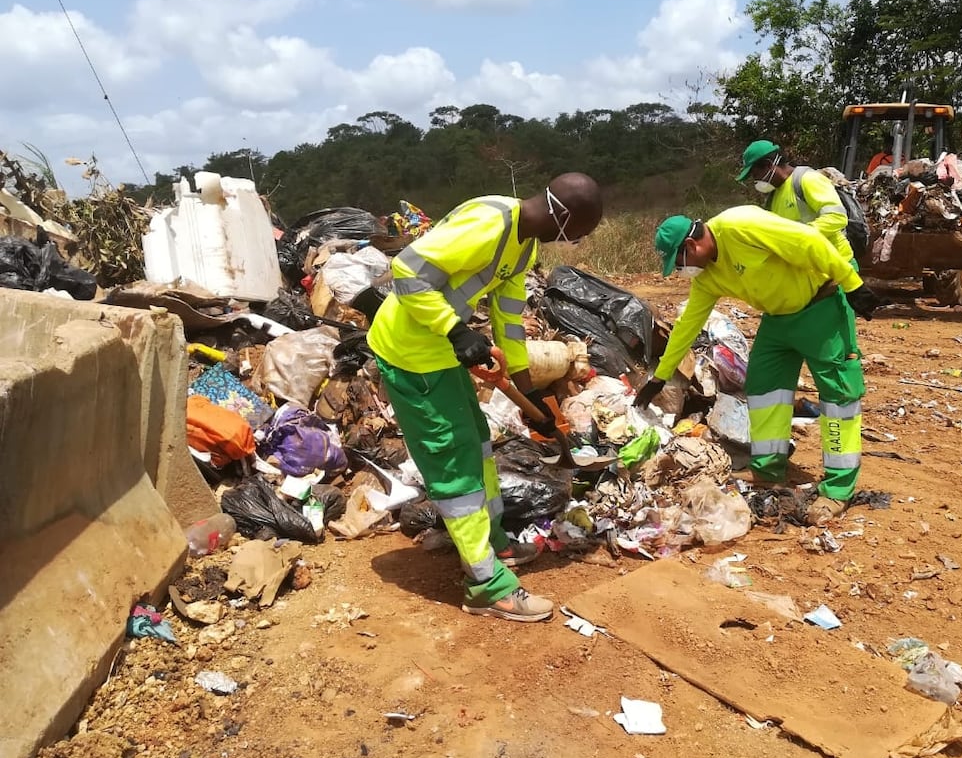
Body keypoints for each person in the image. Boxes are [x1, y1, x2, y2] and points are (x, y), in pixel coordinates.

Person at [367, 173, 603, 622]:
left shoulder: (525, 244)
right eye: (575, 235)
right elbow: (408, 270)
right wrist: (455, 329)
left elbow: (509, 321)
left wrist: (528, 395)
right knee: (454, 461)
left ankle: (492, 545)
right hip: (411, 354)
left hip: (440, 354)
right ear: (563, 217)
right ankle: (485, 585)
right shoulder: (490, 224)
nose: (570, 243)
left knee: (477, 445)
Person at [633, 207, 881, 526]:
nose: (683, 272)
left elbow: (810, 242)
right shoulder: (708, 277)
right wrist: (661, 376)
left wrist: (853, 284)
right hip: (778, 319)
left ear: (691, 247)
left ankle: (837, 489)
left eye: (679, 264)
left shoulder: (740, 225)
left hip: (822, 305)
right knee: (764, 387)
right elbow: (687, 325)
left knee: (838, 394)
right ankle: (767, 471)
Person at [736, 140, 855, 265]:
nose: (756, 181)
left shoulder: (807, 179)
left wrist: (799, 234)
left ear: (768, 165)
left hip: (837, 266)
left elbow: (837, 217)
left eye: (755, 175)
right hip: (809, 271)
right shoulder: (773, 197)